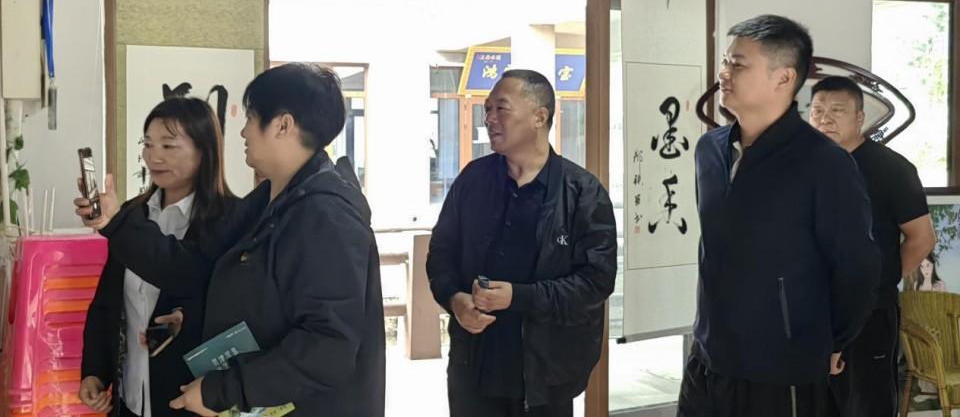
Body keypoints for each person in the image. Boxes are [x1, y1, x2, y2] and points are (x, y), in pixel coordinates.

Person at [76, 63, 385, 416]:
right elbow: (194, 266)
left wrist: (223, 390)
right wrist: (115, 224)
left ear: (282, 125)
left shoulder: (326, 215)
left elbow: (327, 347)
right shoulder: (268, 199)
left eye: (251, 118)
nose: (242, 131)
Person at [678, 15, 880, 416]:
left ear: (784, 78)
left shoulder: (824, 163)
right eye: (725, 61)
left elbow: (858, 267)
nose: (723, 73)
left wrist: (832, 341)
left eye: (738, 64)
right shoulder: (710, 150)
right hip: (708, 359)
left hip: (781, 369)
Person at [426, 69, 617, 417]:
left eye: (501, 108)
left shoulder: (582, 192)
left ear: (539, 117)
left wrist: (519, 297)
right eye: (487, 109)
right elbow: (441, 253)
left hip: (546, 376)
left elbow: (596, 282)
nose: (489, 118)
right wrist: (454, 299)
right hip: (474, 368)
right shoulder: (473, 180)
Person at [79, 97, 238, 417]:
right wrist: (95, 372)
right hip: (130, 397)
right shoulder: (133, 213)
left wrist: (186, 319)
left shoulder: (228, 219)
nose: (154, 156)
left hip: (190, 400)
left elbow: (196, 280)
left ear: (204, 150)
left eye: (169, 145)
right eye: (148, 144)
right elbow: (107, 303)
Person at [809, 75, 935, 417]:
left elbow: (922, 238)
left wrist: (878, 281)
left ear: (860, 118)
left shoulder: (891, 168)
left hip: (868, 313)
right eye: (817, 111)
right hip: (812, 310)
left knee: (867, 404)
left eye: (837, 111)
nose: (825, 119)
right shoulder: (804, 166)